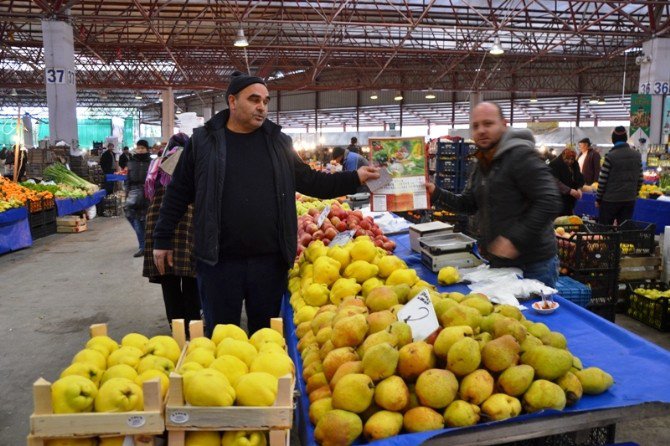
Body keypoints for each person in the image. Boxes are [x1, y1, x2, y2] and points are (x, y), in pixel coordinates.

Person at [152, 71, 379, 336]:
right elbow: (178, 191)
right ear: (233, 101)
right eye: (254, 99)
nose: (262, 106)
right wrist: (162, 238)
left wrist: (355, 178)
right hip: (219, 263)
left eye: (266, 101)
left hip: (269, 262)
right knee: (222, 337)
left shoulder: (278, 142)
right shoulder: (204, 142)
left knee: (268, 337)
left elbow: (311, 181)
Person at [426, 102, 562, 287]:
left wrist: (515, 240)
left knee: (532, 316)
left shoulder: (521, 156)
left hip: (534, 265)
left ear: (504, 125)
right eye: (476, 126)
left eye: (488, 124)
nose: (481, 130)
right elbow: (468, 204)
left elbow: (549, 200)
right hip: (500, 262)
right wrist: (436, 193)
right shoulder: (482, 162)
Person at [143, 133, 201, 336]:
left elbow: (149, 193)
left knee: (169, 279)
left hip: (159, 222)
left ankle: (176, 326)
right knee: (191, 276)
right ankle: (193, 325)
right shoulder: (192, 161)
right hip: (188, 222)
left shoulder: (158, 163)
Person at [596, 127, 643, 225]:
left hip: (610, 200)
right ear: (625, 138)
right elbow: (640, 179)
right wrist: (634, 194)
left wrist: (598, 198)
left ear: (613, 139)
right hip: (629, 199)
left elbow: (602, 180)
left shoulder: (610, 156)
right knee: (624, 230)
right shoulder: (637, 155)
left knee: (605, 230)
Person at [125, 140, 152, 257]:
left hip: (148, 193)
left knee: (145, 220)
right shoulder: (131, 162)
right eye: (138, 148)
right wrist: (127, 191)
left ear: (147, 149)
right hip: (134, 192)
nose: (140, 150)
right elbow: (127, 178)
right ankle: (142, 245)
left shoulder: (152, 162)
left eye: (142, 148)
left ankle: (146, 245)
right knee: (132, 217)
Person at [549, 148, 585, 216]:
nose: (570, 161)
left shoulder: (575, 165)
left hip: (570, 200)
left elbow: (579, 177)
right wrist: (569, 190)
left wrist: (579, 188)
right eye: (567, 159)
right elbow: (554, 181)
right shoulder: (554, 164)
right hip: (558, 199)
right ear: (563, 156)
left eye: (572, 159)